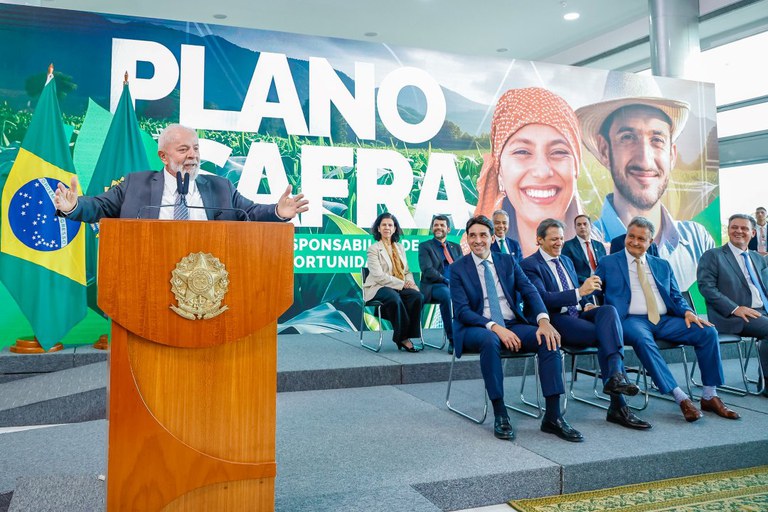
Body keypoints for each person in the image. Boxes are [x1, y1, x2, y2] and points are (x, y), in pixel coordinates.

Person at [576, 74, 715, 291]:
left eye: (657, 140)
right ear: (604, 150)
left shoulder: (698, 240)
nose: (645, 159)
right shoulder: (586, 245)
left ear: (672, 154)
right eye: (628, 137)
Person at [450, 215, 583, 442]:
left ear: (492, 238)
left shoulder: (508, 261)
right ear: (467, 239)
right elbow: (462, 311)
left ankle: (553, 416)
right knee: (489, 340)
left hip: (512, 323)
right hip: (475, 325)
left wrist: (543, 321)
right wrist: (495, 328)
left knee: (547, 338)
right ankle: (500, 412)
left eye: (483, 235)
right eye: (472, 235)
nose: (477, 240)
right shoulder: (457, 269)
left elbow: (530, 291)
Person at [595, 216, 740, 422]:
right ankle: (680, 397)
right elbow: (592, 289)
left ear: (650, 241)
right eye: (631, 236)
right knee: (644, 341)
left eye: (641, 239)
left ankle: (710, 395)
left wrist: (688, 311)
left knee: (707, 331)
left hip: (664, 319)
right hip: (630, 320)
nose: (635, 242)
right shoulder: (608, 262)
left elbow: (675, 296)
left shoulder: (662, 265)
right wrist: (589, 304)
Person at [521, 219, 651, 430]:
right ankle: (618, 404)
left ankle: (616, 377)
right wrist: (579, 293)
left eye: (562, 238)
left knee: (608, 311)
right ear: (539, 240)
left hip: (578, 314)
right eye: (554, 239)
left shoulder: (566, 261)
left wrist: (587, 303)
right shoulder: (529, 265)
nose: (559, 243)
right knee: (604, 335)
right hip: (554, 319)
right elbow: (543, 299)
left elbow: (580, 296)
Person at [54, 124, 308, 222]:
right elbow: (98, 207)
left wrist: (278, 211)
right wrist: (73, 205)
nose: (192, 156)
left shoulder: (221, 187)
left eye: (196, 149)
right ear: (163, 156)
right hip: (147, 269)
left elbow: (250, 213)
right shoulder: (135, 185)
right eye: (183, 149)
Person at [473, 87, 584, 257]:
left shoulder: (604, 258)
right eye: (522, 152)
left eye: (558, 152)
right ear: (500, 172)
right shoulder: (475, 266)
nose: (542, 171)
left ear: (575, 168)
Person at [698, 213, 768, 396]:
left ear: (753, 233)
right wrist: (735, 308)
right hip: (732, 316)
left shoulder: (758, 258)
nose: (739, 231)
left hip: (762, 311)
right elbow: (706, 288)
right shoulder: (713, 255)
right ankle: (767, 383)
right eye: (734, 227)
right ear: (728, 230)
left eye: (744, 228)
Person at [364, 213, 423, 353]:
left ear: (395, 228)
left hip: (398, 285)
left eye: (390, 225)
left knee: (417, 296)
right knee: (394, 298)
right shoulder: (373, 249)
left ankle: (408, 335)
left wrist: (411, 284)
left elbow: (407, 271)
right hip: (378, 287)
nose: (387, 227)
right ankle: (403, 339)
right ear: (378, 228)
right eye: (383, 225)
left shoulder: (400, 247)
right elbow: (378, 276)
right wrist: (402, 284)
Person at [418, 214, 461, 352]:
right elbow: (427, 270)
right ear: (432, 228)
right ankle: (453, 339)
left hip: (455, 285)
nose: (438, 228)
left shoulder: (456, 247)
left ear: (448, 229)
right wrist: (446, 281)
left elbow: (462, 268)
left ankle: (471, 336)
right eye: (436, 225)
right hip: (434, 286)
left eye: (442, 225)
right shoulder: (425, 246)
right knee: (446, 294)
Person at [561, 214, 607, 285]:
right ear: (575, 228)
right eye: (579, 225)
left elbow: (605, 266)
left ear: (590, 226)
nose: (582, 227)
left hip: (602, 282)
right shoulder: (568, 246)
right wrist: (588, 281)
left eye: (585, 224)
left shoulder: (599, 245)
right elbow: (568, 270)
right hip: (583, 284)